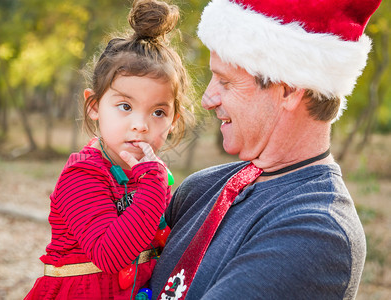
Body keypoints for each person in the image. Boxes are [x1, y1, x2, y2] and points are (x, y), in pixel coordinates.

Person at [150, 0, 383, 299]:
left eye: (226, 81)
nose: (208, 98)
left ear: (288, 90)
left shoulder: (317, 233)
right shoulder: (200, 187)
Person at [24, 0, 194, 299]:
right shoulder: (82, 174)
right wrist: (153, 184)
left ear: (173, 119)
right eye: (125, 106)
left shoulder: (153, 174)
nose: (140, 124)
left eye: (158, 112)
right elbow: (109, 255)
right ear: (94, 107)